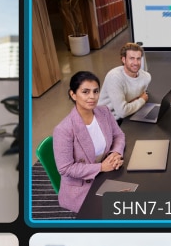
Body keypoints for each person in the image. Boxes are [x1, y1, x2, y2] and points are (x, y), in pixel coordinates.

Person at [52, 70, 126, 213]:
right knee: (120, 210)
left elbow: (119, 135)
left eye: (95, 91)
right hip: (82, 187)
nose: (92, 97)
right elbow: (65, 169)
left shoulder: (103, 111)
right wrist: (100, 167)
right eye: (85, 92)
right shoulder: (64, 129)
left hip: (105, 173)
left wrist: (115, 153)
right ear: (73, 94)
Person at [99, 42, 152, 120]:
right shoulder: (114, 77)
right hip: (106, 119)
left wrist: (134, 102)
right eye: (131, 58)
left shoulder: (146, 77)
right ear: (123, 59)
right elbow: (122, 112)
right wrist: (142, 100)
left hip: (127, 115)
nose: (136, 63)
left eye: (138, 58)